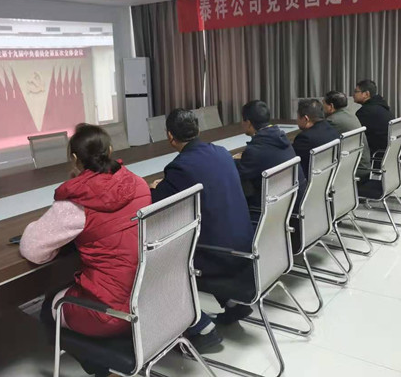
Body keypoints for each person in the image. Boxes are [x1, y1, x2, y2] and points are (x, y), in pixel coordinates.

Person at [20, 124, 151, 377]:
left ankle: (103, 369)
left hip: (110, 311)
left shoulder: (77, 203)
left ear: (74, 159)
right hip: (144, 295)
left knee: (49, 308)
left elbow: (32, 250)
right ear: (110, 150)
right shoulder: (139, 184)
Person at [151, 109, 255, 352]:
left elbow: (158, 205)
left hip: (218, 255)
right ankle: (232, 303)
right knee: (212, 226)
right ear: (198, 130)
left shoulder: (179, 168)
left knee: (161, 260)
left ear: (170, 136)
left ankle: (201, 328)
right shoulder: (221, 153)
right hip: (245, 243)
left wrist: (156, 188)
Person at [235, 100, 307, 217]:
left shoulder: (255, 150)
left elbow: (238, 175)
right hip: (295, 203)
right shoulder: (281, 138)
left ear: (248, 122)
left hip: (273, 212)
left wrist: (231, 161)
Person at [323, 91, 371, 179]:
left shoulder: (332, 121)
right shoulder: (350, 115)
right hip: (363, 165)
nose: (322, 108)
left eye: (324, 104)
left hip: (354, 169)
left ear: (331, 106)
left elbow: (320, 142)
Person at [293, 99, 340, 179]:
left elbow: (291, 162)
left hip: (310, 181)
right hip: (330, 178)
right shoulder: (332, 130)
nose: (296, 120)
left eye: (297, 117)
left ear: (306, 119)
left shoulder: (305, 139)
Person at [353, 79, 395, 154]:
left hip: (376, 153)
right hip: (388, 152)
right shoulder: (382, 106)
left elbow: (355, 135)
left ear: (366, 94)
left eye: (356, 92)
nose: (353, 95)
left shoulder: (365, 112)